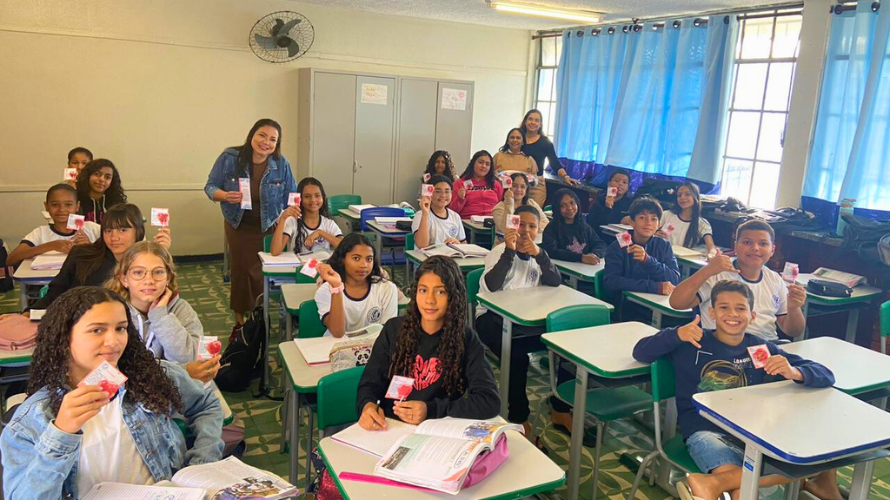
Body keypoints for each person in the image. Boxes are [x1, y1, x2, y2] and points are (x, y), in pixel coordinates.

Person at [0, 287, 224, 499]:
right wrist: (61, 433)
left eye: (121, 328)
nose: (114, 341)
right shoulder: (32, 419)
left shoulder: (151, 377)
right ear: (64, 338)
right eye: (97, 330)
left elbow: (206, 405)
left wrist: (200, 465)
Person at [633, 280, 834, 500]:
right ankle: (801, 480)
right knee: (748, 488)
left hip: (753, 434)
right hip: (705, 431)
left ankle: (712, 484)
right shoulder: (692, 341)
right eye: (724, 307)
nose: (732, 314)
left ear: (752, 316)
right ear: (712, 312)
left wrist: (794, 371)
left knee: (798, 458)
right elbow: (641, 351)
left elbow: (825, 374)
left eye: (740, 308)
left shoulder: (759, 348)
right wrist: (676, 334)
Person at [356, 256, 499, 428]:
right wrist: (367, 406)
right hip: (390, 426)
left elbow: (489, 401)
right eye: (423, 290)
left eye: (440, 292)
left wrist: (431, 410)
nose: (430, 300)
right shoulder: (393, 330)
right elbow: (369, 384)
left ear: (453, 296)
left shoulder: (465, 338)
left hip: (437, 429)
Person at [474, 206, 572, 436]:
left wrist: (540, 255)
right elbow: (492, 286)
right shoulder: (499, 252)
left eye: (532, 226)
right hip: (492, 318)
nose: (526, 231)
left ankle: (561, 408)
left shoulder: (538, 253)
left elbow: (555, 281)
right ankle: (518, 417)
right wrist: (509, 252)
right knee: (516, 356)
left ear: (538, 230)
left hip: (527, 321)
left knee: (569, 347)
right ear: (512, 225)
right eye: (521, 224)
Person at [204, 119, 297, 327]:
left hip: (268, 225)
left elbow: (291, 195)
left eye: (272, 139)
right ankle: (239, 319)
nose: (266, 142)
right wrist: (225, 196)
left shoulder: (281, 164)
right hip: (238, 224)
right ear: (252, 135)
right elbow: (210, 187)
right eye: (262, 135)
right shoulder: (230, 157)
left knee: (260, 272)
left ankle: (257, 314)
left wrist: (292, 215)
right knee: (242, 270)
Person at [669, 219, 807, 341]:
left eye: (763, 243)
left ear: (772, 250)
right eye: (747, 242)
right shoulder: (717, 273)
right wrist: (707, 270)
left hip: (765, 348)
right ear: (735, 246)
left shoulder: (775, 280)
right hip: (723, 347)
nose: (755, 248)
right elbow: (676, 303)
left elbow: (793, 331)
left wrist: (794, 308)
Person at [105, 242, 219, 382]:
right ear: (124, 279)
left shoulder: (181, 309)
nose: (149, 280)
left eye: (158, 272)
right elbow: (108, 368)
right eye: (138, 272)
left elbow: (192, 362)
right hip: (125, 389)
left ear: (168, 278)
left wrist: (160, 317)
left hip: (174, 389)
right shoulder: (109, 312)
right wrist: (181, 372)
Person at [30, 203, 172, 311]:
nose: (114, 237)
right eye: (108, 230)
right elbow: (56, 292)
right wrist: (29, 313)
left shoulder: (145, 263)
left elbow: (161, 298)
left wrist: (161, 256)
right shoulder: (82, 255)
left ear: (139, 231)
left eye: (123, 230)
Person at [314, 233, 399, 338]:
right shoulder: (326, 290)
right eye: (356, 258)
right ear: (342, 259)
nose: (364, 265)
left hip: (374, 345)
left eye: (369, 259)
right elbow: (337, 332)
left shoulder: (386, 288)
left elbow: (388, 333)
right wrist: (337, 287)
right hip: (335, 345)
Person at [603, 197, 680, 299]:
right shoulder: (618, 245)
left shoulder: (663, 245)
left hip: (656, 302)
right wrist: (656, 287)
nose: (648, 223)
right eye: (642, 218)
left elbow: (674, 279)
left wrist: (648, 260)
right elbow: (611, 282)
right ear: (632, 222)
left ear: (658, 225)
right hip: (627, 303)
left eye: (653, 219)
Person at [7, 184, 101, 267]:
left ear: (77, 206)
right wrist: (51, 246)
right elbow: (11, 259)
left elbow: (109, 257)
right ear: (46, 206)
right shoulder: (40, 233)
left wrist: (91, 247)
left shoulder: (92, 229)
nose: (62, 210)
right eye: (55, 205)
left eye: (68, 205)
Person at [519, 109, 578, 206]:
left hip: (537, 184)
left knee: (534, 211)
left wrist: (565, 176)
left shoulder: (545, 142)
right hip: (518, 182)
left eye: (536, 120)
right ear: (525, 121)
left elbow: (554, 163)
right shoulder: (517, 139)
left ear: (540, 124)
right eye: (530, 119)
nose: (533, 122)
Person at [270, 177, 342, 256]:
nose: (313, 200)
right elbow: (275, 252)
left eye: (317, 195)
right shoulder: (292, 221)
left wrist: (320, 232)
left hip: (322, 263)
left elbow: (344, 247)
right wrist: (283, 218)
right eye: (307, 196)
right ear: (300, 199)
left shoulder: (328, 223)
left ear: (323, 197)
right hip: (298, 263)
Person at [542, 188, 605, 264]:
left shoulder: (583, 225)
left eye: (572, 203)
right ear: (557, 208)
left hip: (584, 267)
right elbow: (551, 251)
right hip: (563, 269)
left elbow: (600, 244)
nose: (569, 208)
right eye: (563, 205)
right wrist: (580, 258)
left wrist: (594, 254)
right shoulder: (552, 228)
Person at [658, 182, 716, 254]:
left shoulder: (702, 223)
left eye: (687, 194)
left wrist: (712, 254)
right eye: (679, 195)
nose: (682, 197)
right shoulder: (666, 215)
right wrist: (656, 235)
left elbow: (711, 247)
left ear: (695, 197)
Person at [412, 175, 466, 249]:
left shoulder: (455, 216)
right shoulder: (420, 215)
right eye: (437, 191)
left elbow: (464, 242)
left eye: (447, 191)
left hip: (450, 254)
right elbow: (421, 245)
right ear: (429, 193)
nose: (443, 195)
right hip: (428, 256)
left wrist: (457, 243)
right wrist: (425, 214)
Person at [449, 150, 503, 219]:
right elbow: (451, 212)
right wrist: (459, 199)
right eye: (480, 162)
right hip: (467, 221)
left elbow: (500, 207)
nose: (484, 166)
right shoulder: (459, 184)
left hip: (491, 221)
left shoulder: (496, 184)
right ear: (473, 163)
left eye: (487, 164)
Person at [586, 169, 635, 239]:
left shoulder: (631, 203)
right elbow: (595, 226)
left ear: (627, 187)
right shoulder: (599, 201)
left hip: (622, 239)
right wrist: (607, 208)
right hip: (601, 238)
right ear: (609, 184)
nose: (620, 184)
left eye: (624, 182)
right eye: (616, 181)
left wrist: (632, 219)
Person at [76, 159, 127, 224]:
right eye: (97, 174)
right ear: (88, 176)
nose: (102, 179)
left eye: (107, 177)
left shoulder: (116, 204)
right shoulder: (76, 200)